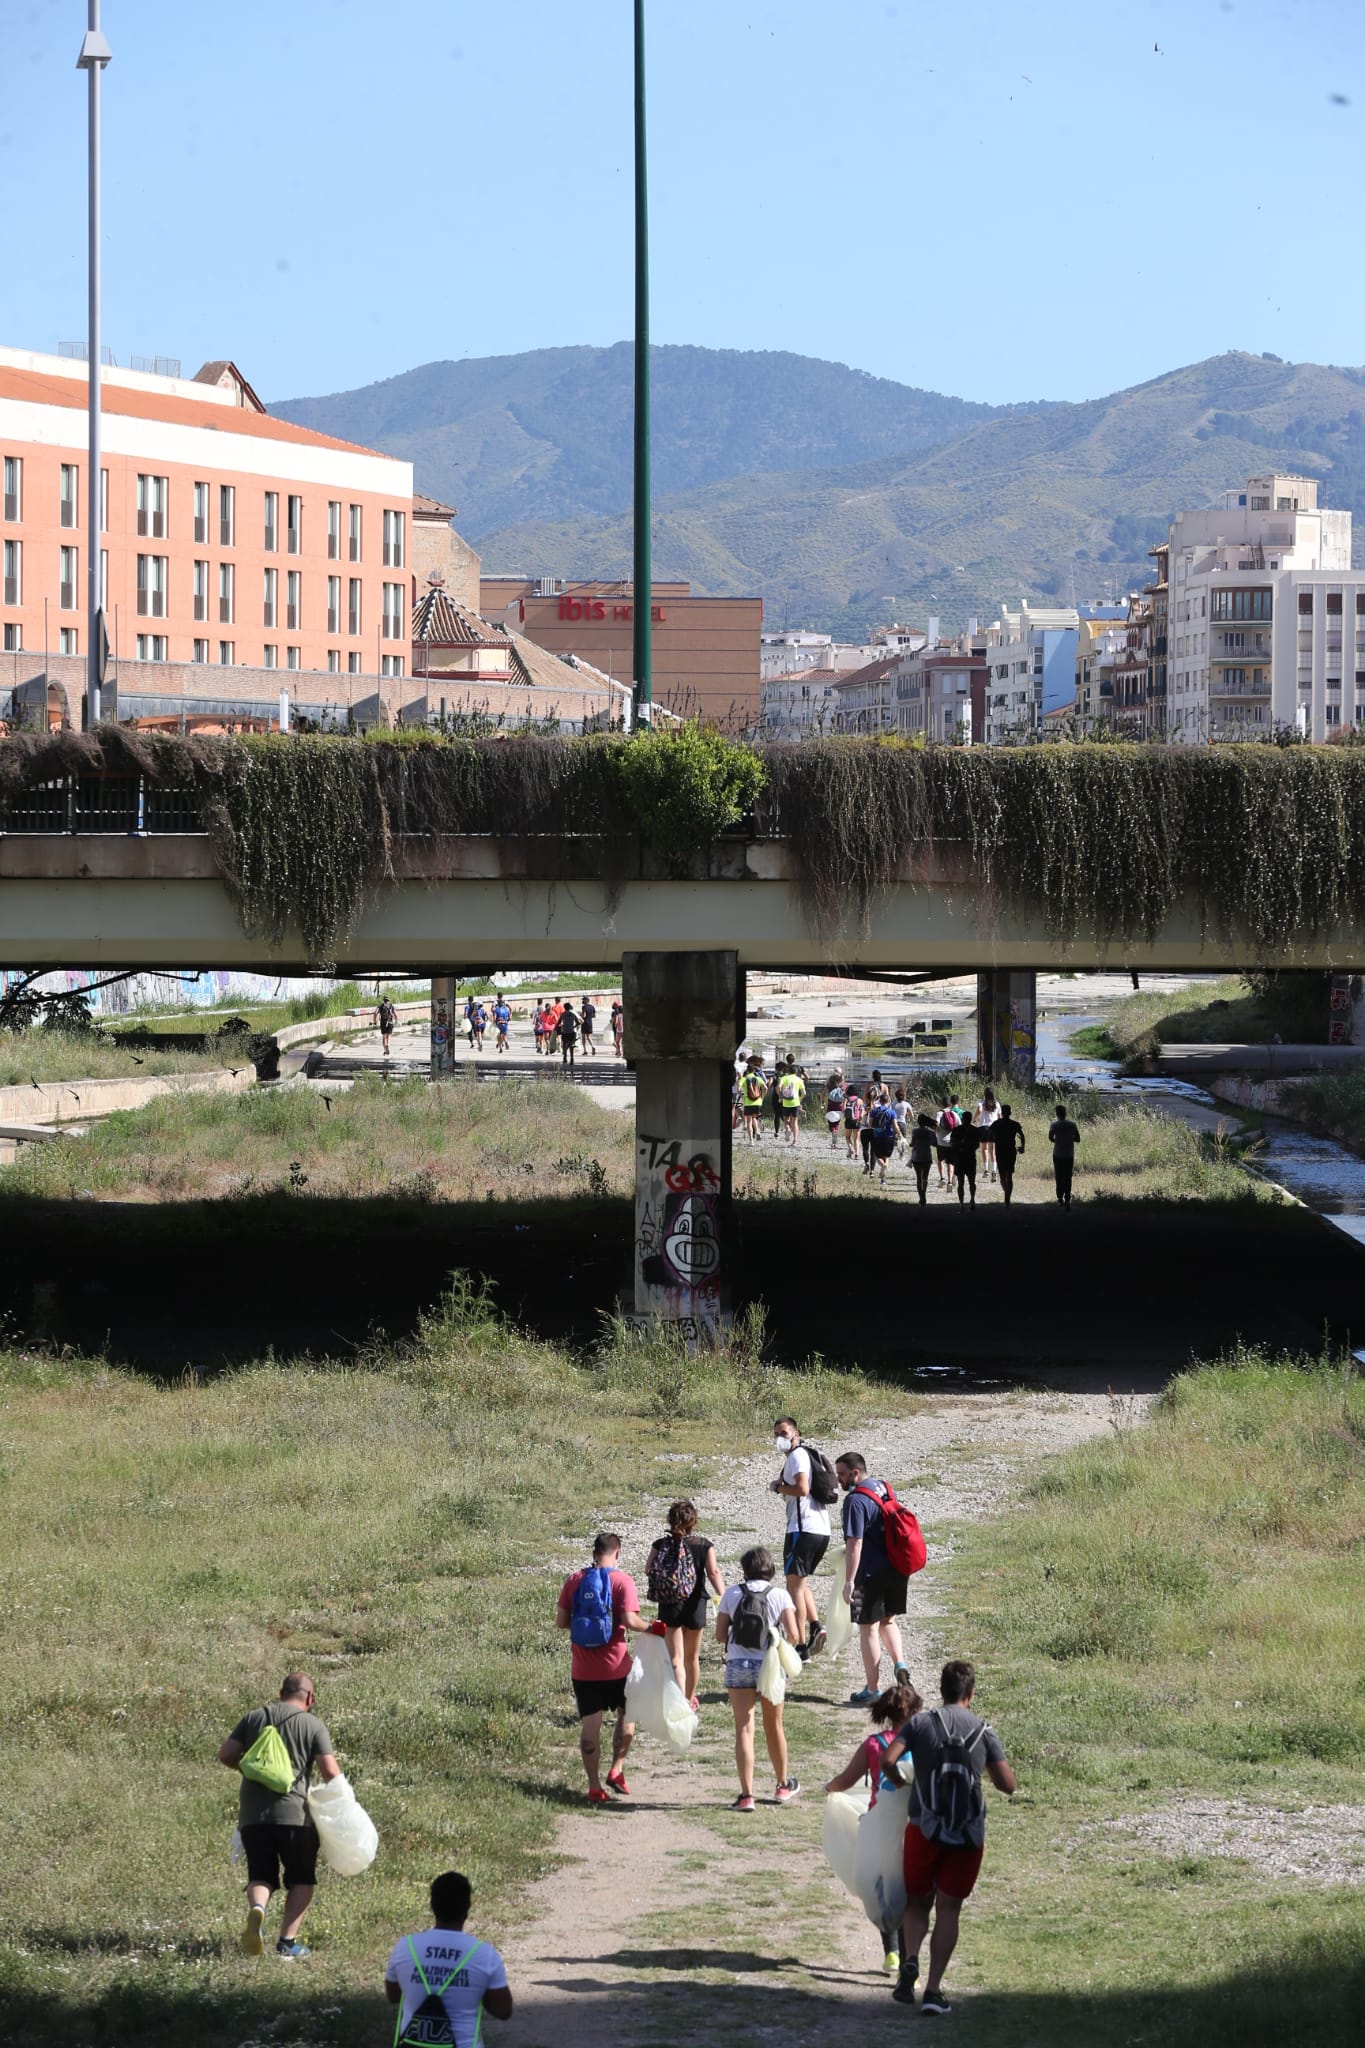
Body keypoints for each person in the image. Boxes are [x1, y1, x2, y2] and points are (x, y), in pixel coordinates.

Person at [880, 1659, 1016, 2016]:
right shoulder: (983, 1730)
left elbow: (887, 1759)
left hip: (923, 1828)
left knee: (917, 1904)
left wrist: (896, 1779)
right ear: (970, 1694)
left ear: (940, 1691)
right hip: (967, 1835)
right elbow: (1008, 1785)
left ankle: (910, 1960)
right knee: (949, 1909)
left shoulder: (921, 1723)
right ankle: (934, 1990)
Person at [218, 1670, 342, 1960]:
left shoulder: (254, 1717)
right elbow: (330, 1771)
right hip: (295, 1817)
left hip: (252, 1817)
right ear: (309, 1697)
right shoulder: (312, 1725)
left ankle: (258, 1911)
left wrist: (252, 1769)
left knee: (261, 1874)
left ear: (281, 1692)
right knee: (302, 1880)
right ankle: (287, 1943)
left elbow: (226, 1754)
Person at [822, 1679, 924, 1974]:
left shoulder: (873, 1745)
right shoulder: (921, 1744)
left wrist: (829, 1787)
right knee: (909, 1890)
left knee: (883, 1886)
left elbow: (846, 1780)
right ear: (913, 1712)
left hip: (879, 1824)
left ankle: (890, 1950)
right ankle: (908, 1961)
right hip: (912, 1825)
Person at [555, 1531, 658, 1804]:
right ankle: (617, 1769)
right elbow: (630, 1621)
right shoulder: (622, 1581)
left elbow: (562, 1621)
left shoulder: (575, 1580)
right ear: (618, 1553)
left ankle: (593, 1786)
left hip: (583, 1670)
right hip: (617, 1667)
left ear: (593, 1553)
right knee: (628, 1715)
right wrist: (653, 1627)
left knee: (591, 1726)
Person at [715, 1545, 803, 1810]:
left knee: (744, 1727)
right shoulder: (780, 1595)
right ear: (770, 1568)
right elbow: (796, 1635)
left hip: (738, 1664)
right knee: (773, 1725)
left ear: (745, 1569)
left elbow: (720, 1635)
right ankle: (781, 1785)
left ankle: (746, 1795)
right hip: (770, 1665)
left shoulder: (731, 1593)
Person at [384, 1870, 513, 2045]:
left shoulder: (405, 1947)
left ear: (432, 1905)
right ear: (467, 1907)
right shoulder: (484, 1954)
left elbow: (394, 1997)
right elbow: (503, 2011)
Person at [835, 1454, 913, 1706]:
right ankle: (900, 1663)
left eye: (842, 1474)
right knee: (888, 1621)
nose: (838, 1480)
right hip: (897, 1568)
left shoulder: (855, 1501)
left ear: (855, 1473)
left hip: (870, 1573)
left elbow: (855, 1543)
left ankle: (873, 1689)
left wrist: (849, 1582)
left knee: (868, 1628)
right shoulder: (883, 1487)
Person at [646, 1499, 725, 1709]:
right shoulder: (704, 1545)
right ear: (694, 1521)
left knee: (675, 1659)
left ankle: (679, 1699)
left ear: (670, 1520)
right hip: (696, 1604)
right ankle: (689, 1700)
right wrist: (724, 1595)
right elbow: (713, 1572)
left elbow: (648, 1569)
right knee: (692, 1658)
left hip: (670, 1604)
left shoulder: (660, 1545)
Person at [771, 1417, 832, 1658]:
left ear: (796, 1434)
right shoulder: (805, 1455)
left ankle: (800, 1644)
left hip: (803, 1528)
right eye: (776, 1434)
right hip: (819, 1529)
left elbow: (802, 1489)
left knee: (793, 1585)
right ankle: (816, 1627)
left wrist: (778, 1487)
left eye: (784, 1433)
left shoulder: (797, 1456)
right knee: (800, 1582)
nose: (779, 1438)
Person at [1048, 1101, 1081, 1207]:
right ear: (1065, 1113)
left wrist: (1058, 1140)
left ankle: (1059, 1198)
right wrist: (1069, 1138)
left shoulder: (1054, 1125)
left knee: (1059, 1176)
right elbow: (1078, 1139)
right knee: (1068, 1176)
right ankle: (1067, 1197)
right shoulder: (1072, 1124)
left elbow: (1050, 1137)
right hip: (1069, 1154)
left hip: (1057, 1153)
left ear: (1057, 1114)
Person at [993, 1103, 1026, 1206]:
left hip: (1000, 1151)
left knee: (1002, 1175)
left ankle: (1006, 1194)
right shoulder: (1014, 1124)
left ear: (1001, 1113)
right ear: (1010, 1113)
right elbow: (1022, 1135)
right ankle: (1007, 1197)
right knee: (1009, 1175)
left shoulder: (996, 1123)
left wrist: (995, 1139)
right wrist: (1022, 1146)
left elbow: (989, 1135)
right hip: (1011, 1151)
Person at [948, 1109, 980, 1208]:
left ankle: (961, 1204)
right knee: (972, 1182)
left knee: (961, 1182)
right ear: (970, 1119)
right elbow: (977, 1145)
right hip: (970, 1157)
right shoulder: (975, 1130)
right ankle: (972, 1199)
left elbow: (952, 1144)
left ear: (962, 1119)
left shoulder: (956, 1130)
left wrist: (960, 1144)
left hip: (960, 1158)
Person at [868, 1092, 898, 1184]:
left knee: (878, 1156)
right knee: (887, 1156)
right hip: (889, 1136)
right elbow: (895, 1126)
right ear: (888, 1101)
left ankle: (883, 1165)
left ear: (880, 1101)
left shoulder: (874, 1111)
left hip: (877, 1136)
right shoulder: (892, 1112)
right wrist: (899, 1135)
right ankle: (883, 1180)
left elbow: (870, 1125)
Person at [909, 1111, 936, 1205]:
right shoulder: (930, 1132)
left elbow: (912, 1144)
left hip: (916, 1156)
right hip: (927, 1156)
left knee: (918, 1178)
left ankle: (921, 1197)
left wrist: (911, 1144)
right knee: (925, 1177)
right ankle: (924, 1194)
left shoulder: (914, 1131)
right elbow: (935, 1144)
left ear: (918, 1122)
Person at [738, 1058, 768, 1143]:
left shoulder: (743, 1079)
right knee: (754, 1118)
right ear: (754, 1070)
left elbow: (738, 1089)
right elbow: (765, 1088)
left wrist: (741, 1096)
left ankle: (751, 1141)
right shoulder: (758, 1078)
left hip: (748, 1102)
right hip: (757, 1102)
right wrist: (762, 1097)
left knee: (749, 1121)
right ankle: (757, 1131)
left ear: (747, 1070)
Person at [777, 1060, 806, 1145]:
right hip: (796, 1103)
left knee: (786, 1120)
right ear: (796, 1072)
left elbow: (779, 1086)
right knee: (795, 1122)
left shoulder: (784, 1078)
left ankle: (787, 1129)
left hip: (786, 1102)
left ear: (788, 1071)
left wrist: (780, 1096)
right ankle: (795, 1141)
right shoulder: (799, 1080)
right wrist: (799, 1100)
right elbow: (804, 1093)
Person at [936, 1096, 961, 1191]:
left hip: (941, 1141)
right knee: (950, 1163)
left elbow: (935, 1125)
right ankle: (950, 1182)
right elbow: (959, 1127)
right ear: (949, 1104)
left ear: (941, 1104)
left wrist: (937, 1132)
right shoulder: (954, 1114)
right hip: (951, 1142)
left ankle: (942, 1178)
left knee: (940, 1160)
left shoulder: (939, 1114)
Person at [976, 1087, 1000, 1182]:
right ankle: (994, 1170)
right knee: (992, 1151)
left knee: (983, 1149)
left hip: (983, 1128)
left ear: (984, 1094)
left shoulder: (982, 1102)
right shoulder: (997, 1104)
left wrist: (974, 1118)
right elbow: (999, 1117)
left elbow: (979, 1109)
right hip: (993, 1128)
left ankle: (986, 1170)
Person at [824, 1071, 846, 1150]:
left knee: (831, 1122)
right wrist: (844, 1106)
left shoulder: (829, 1085)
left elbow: (822, 1093)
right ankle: (835, 1134)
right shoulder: (843, 1086)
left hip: (830, 1106)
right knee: (836, 1122)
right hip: (839, 1106)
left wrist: (822, 1102)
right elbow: (845, 1097)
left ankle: (833, 1131)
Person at [844, 1084, 864, 1160]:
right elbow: (862, 1112)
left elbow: (843, 1109)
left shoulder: (847, 1099)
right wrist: (860, 1119)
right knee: (856, 1139)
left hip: (848, 1120)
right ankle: (857, 1154)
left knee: (847, 1137)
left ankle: (850, 1149)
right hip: (856, 1121)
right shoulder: (860, 1100)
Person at [375, 992, 397, 1059]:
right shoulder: (391, 1006)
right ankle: (388, 1045)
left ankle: (385, 1050)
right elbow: (396, 1014)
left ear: (383, 1000)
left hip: (383, 1023)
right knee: (389, 1036)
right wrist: (396, 1020)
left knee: (384, 1037)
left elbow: (375, 1013)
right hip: (390, 1022)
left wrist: (375, 1021)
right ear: (389, 1000)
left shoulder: (380, 1006)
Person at [559, 1001, 580, 1070]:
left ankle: (565, 1057)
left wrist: (558, 1028)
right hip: (571, 1032)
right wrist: (573, 1027)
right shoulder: (573, 1014)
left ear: (564, 1008)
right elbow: (578, 1022)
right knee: (571, 1045)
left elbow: (559, 1022)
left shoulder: (563, 1014)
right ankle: (572, 1059)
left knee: (565, 1045)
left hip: (565, 1032)